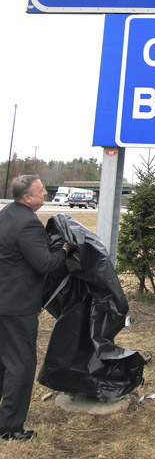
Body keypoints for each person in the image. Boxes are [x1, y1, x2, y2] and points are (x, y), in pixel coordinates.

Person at [0, 174, 71, 442]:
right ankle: (10, 426)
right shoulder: (28, 224)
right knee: (21, 365)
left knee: (3, 361)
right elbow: (44, 263)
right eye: (41, 192)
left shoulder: (7, 213)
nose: (45, 195)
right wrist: (64, 249)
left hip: (4, 300)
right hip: (17, 306)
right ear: (26, 197)